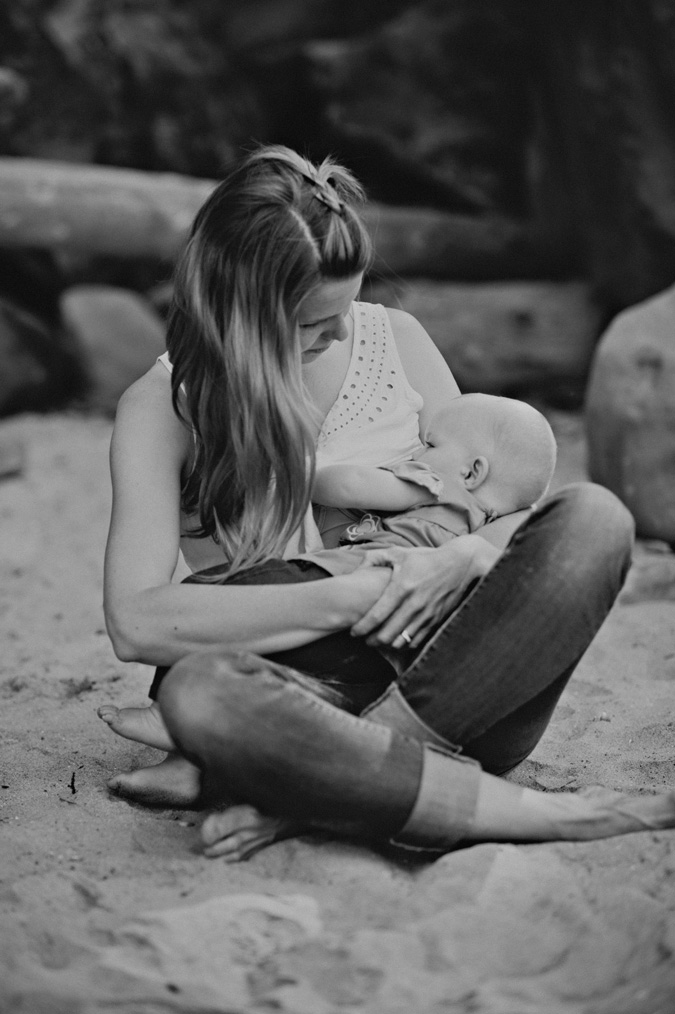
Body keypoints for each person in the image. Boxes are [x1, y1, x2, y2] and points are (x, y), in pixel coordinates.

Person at [99, 144, 675, 863]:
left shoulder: (393, 341)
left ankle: (316, 791)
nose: (343, 330)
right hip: (302, 690)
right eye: (314, 320)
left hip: (463, 682)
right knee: (201, 695)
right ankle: (382, 791)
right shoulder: (163, 409)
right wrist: (366, 591)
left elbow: (495, 500)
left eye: (350, 303)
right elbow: (137, 621)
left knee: (596, 519)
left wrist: (465, 555)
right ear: (239, 313)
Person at [313, 393, 557, 552]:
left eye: (430, 445)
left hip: (356, 569)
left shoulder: (435, 485)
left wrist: (301, 477)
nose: (417, 452)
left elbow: (351, 486)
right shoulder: (486, 526)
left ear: (471, 474)